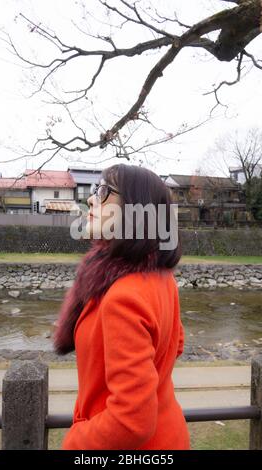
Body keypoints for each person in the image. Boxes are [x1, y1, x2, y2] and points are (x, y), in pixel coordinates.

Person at [53, 163, 190, 450]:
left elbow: (130, 422)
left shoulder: (122, 296)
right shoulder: (162, 277)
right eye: (94, 190)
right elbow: (175, 343)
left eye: (104, 191)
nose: (92, 199)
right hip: (169, 433)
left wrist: (74, 442)